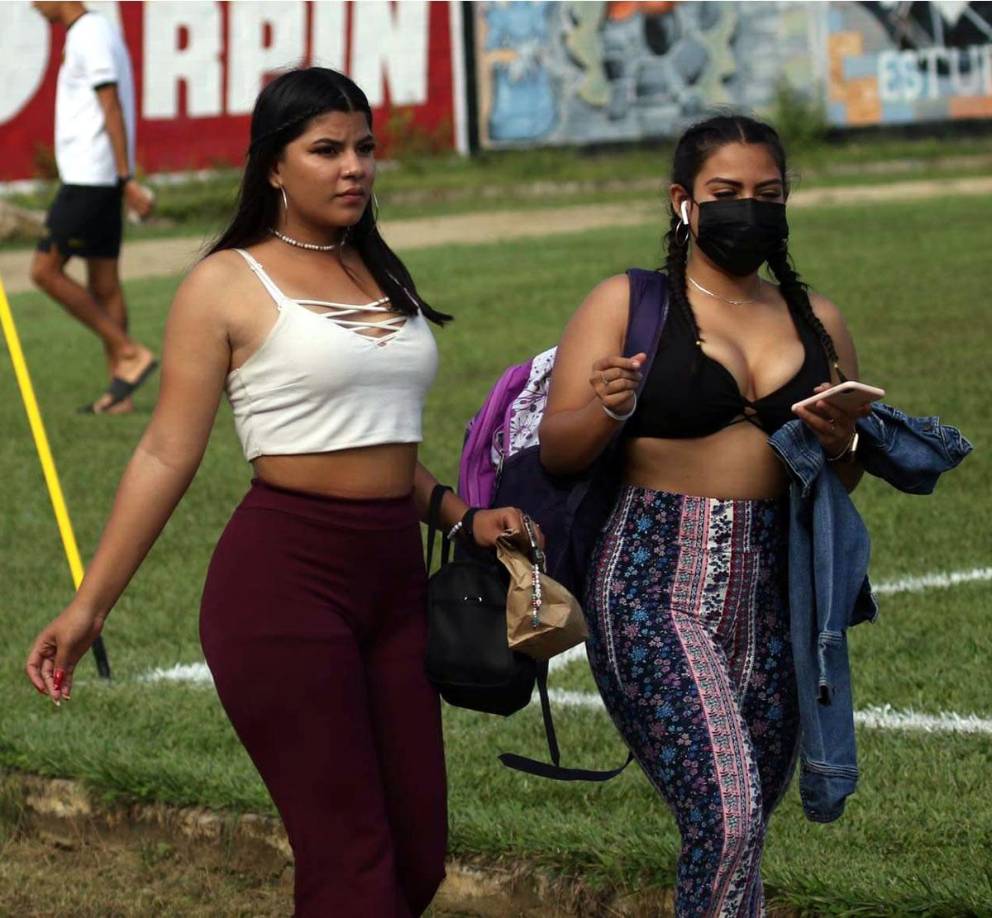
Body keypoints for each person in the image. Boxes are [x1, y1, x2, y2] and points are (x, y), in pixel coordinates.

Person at [25, 67, 537, 917]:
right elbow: (164, 452)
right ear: (273, 166)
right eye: (326, 150)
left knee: (415, 861)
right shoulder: (226, 282)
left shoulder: (377, 268)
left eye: (364, 148)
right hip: (283, 585)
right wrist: (90, 607)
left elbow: (371, 441)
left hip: (395, 584)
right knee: (354, 867)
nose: (354, 167)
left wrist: (461, 518)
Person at [538, 115, 868, 914]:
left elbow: (846, 475)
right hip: (651, 582)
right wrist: (608, 407)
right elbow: (558, 452)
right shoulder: (629, 302)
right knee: (729, 814)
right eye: (726, 192)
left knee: (738, 828)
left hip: (777, 594)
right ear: (682, 201)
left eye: (768, 194)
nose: (748, 208)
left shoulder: (817, 320)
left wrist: (842, 441)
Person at [30, 1, 157, 414]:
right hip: (100, 176)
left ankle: (129, 351)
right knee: (105, 284)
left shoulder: (89, 34)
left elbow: (111, 104)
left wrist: (125, 178)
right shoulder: (94, 31)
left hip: (91, 176)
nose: (32, 4)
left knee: (44, 271)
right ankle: (120, 394)